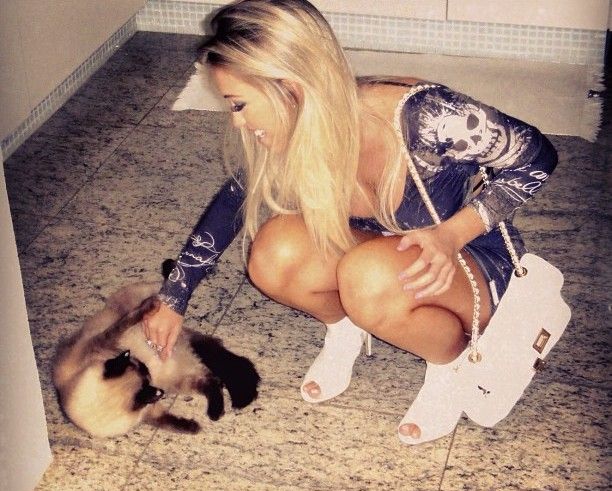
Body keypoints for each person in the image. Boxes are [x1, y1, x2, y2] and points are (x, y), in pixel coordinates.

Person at [142, 0, 558, 444]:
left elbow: (538, 157)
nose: (238, 122)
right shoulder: (302, 125)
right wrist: (174, 297)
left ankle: (448, 365)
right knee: (273, 255)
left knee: (366, 276)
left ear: (289, 88)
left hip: (468, 263)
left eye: (240, 105)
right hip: (380, 259)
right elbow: (233, 201)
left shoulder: (425, 116)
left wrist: (451, 235)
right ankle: (346, 329)